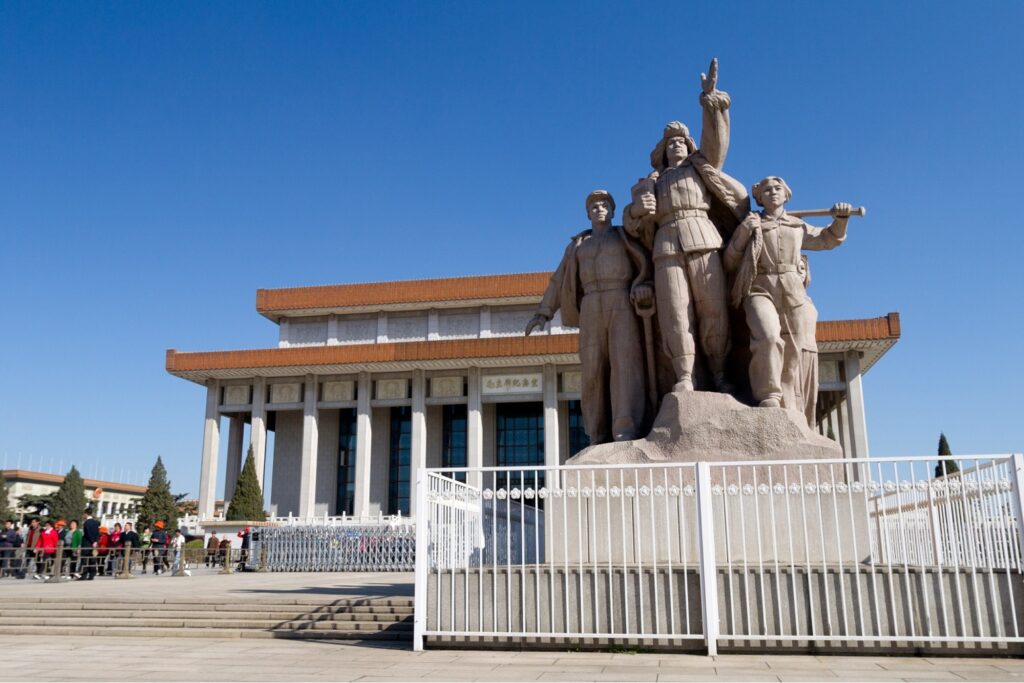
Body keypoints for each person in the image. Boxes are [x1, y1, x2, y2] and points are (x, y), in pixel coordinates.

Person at [623, 58, 749, 394]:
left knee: (713, 311)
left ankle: (720, 373)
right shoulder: (649, 182)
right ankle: (684, 376)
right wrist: (637, 210)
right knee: (676, 314)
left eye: (682, 141)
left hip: (702, 237)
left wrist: (710, 103)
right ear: (662, 151)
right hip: (666, 245)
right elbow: (631, 226)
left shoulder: (700, 167)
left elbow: (715, 143)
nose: (677, 145)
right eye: (671, 143)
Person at [724, 176, 851, 424]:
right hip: (760, 288)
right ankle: (769, 394)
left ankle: (791, 400)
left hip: (793, 290)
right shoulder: (752, 224)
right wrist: (743, 233)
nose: (772, 192)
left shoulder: (797, 226)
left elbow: (827, 239)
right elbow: (729, 261)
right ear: (759, 197)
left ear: (786, 195)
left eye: (777, 189)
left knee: (796, 349)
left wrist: (841, 220)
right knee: (768, 337)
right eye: (766, 190)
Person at [527, 190, 651, 443]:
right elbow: (558, 279)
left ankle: (625, 428)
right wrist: (544, 312)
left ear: (613, 211)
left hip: (621, 299)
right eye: (594, 205)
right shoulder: (578, 245)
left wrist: (644, 283)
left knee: (624, 365)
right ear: (587, 213)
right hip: (591, 304)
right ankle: (597, 433)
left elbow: (647, 258)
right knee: (592, 370)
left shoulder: (625, 236)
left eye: (604, 204)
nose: (599, 208)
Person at [80, 509, 101, 580]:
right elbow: (98, 533)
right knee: (92, 559)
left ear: (86, 514)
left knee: (85, 559)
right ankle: (92, 574)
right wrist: (95, 542)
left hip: (87, 543)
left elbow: (88, 533)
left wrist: (92, 541)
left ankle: (84, 575)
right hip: (94, 543)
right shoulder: (96, 522)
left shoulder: (86, 523)